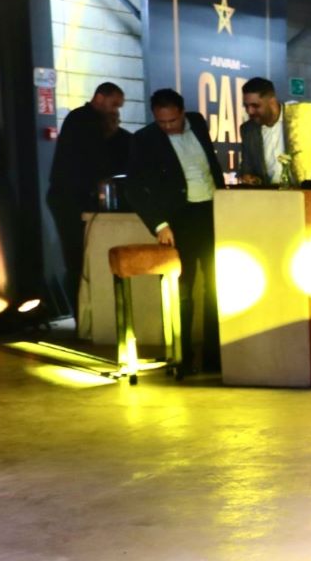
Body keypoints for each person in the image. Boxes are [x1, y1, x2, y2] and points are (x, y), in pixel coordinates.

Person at [124, 89, 221, 374]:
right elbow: (133, 188)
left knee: (217, 288)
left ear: (182, 112)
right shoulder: (144, 139)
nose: (167, 126)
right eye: (161, 122)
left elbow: (210, 165)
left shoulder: (198, 122)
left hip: (212, 212)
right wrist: (159, 224)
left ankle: (215, 357)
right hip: (178, 221)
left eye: (173, 120)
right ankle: (182, 357)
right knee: (181, 290)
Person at [45, 81, 128, 291]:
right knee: (77, 257)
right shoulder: (83, 121)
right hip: (71, 198)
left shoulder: (82, 120)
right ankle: (79, 300)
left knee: (79, 256)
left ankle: (81, 300)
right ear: (99, 98)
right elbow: (99, 159)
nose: (115, 111)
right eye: (114, 104)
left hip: (70, 197)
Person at [236, 78, 311, 216]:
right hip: (271, 206)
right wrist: (248, 177)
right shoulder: (248, 130)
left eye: (255, 106)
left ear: (271, 101)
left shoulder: (302, 114)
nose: (250, 111)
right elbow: (247, 167)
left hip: (310, 200)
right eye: (246, 106)